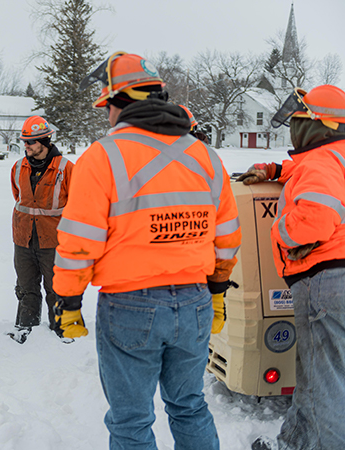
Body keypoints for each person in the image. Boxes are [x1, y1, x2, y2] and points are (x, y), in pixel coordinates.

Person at [52, 51, 241, 449]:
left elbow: (79, 241)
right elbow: (227, 236)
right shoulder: (205, 155)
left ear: (119, 102)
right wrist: (218, 291)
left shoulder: (102, 155)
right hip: (195, 302)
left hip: (130, 305)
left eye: (107, 107)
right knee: (189, 406)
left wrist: (68, 300)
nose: (107, 117)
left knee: (131, 420)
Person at [239, 85, 345, 450]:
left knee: (324, 382)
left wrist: (281, 232)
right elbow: (316, 176)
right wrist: (275, 169)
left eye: (299, 122)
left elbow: (317, 213)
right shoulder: (334, 157)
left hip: (326, 282)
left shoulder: (320, 162)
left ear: (321, 126)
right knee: (322, 375)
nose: (293, 129)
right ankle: (294, 444)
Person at [7, 116, 74, 343]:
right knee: (26, 286)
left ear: (45, 142)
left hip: (54, 240)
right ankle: (25, 325)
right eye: (24, 142)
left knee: (56, 287)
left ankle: (61, 328)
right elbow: (19, 198)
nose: (25, 146)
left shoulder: (66, 169)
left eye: (30, 142)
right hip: (24, 238)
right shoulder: (18, 167)